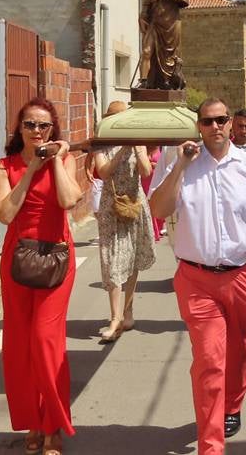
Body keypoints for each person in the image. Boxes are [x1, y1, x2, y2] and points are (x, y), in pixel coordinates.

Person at [149, 98, 246, 454]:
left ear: (232, 123)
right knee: (209, 359)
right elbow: (159, 210)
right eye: (208, 122)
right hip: (196, 280)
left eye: (222, 120)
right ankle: (212, 446)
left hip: (242, 275)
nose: (216, 127)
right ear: (199, 126)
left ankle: (232, 404)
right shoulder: (180, 162)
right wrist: (179, 167)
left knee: (237, 351)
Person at [0, 98, 83, 455]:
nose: (36, 132)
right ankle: (33, 421)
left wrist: (56, 161)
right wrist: (30, 170)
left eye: (44, 126)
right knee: (19, 347)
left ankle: (53, 426)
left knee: (47, 342)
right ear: (19, 128)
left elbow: (68, 200)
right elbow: (5, 212)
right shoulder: (4, 166)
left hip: (56, 258)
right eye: (29, 125)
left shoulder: (65, 160)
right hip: (18, 260)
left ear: (53, 129)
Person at [93, 101, 157, 342]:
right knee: (112, 260)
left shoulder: (138, 142)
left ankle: (127, 311)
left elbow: (145, 172)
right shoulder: (101, 145)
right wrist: (121, 150)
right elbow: (104, 172)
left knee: (132, 260)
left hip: (134, 205)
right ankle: (114, 317)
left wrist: (137, 149)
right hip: (111, 208)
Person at [138, 0, 190, 90]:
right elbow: (148, 0)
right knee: (147, 51)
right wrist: (143, 15)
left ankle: (167, 81)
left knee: (169, 54)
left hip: (170, 23)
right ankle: (143, 81)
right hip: (154, 22)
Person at [142, 145, 166, 240]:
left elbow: (166, 165)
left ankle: (158, 229)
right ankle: (153, 232)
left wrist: (156, 166)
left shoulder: (161, 148)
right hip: (145, 181)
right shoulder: (143, 149)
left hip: (157, 180)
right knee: (149, 205)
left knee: (157, 203)